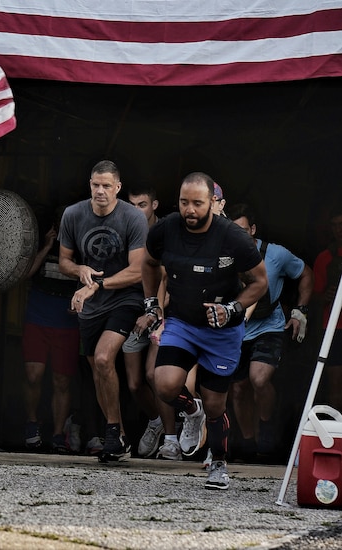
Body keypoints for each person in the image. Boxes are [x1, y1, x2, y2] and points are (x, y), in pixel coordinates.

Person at [141, 172, 267, 489]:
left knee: (215, 405)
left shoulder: (233, 238)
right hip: (182, 322)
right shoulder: (165, 229)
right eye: (185, 202)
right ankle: (190, 409)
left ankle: (219, 465)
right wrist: (150, 303)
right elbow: (148, 263)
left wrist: (232, 310)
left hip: (221, 331)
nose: (191, 210)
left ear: (212, 202)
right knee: (164, 384)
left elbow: (260, 283)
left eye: (198, 203)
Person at [59, 160, 149, 463]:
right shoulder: (73, 215)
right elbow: (64, 262)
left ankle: (112, 431)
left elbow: (138, 271)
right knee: (98, 370)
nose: (100, 191)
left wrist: (96, 285)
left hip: (125, 298)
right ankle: (119, 436)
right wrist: (80, 268)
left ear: (118, 188)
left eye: (107, 186)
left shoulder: (134, 217)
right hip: (90, 305)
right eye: (95, 185)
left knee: (102, 357)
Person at [227, 203, 313, 461]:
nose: (238, 237)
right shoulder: (223, 255)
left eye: (242, 231)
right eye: (232, 232)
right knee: (239, 388)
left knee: (259, 379)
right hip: (237, 328)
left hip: (270, 325)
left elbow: (306, 274)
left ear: (252, 229)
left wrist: (300, 311)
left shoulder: (275, 254)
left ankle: (266, 426)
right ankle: (248, 441)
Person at [21, 211, 81, 453]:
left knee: (62, 381)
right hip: (37, 316)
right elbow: (26, 273)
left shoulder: (82, 248)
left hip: (67, 322)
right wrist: (47, 245)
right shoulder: (44, 244)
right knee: (33, 375)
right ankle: (32, 423)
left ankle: (58, 434)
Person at [125, 185, 165, 457]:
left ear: (154, 205)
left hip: (161, 312)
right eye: (131, 205)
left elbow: (164, 277)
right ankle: (156, 422)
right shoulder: (126, 227)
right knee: (134, 382)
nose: (136, 211)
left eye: (142, 204)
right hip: (130, 307)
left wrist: (156, 312)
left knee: (155, 374)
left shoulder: (164, 233)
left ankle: (173, 435)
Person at [312, 207, 342, 411]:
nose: (338, 229)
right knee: (335, 385)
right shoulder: (324, 257)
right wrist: (325, 297)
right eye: (334, 225)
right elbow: (314, 296)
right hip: (333, 328)